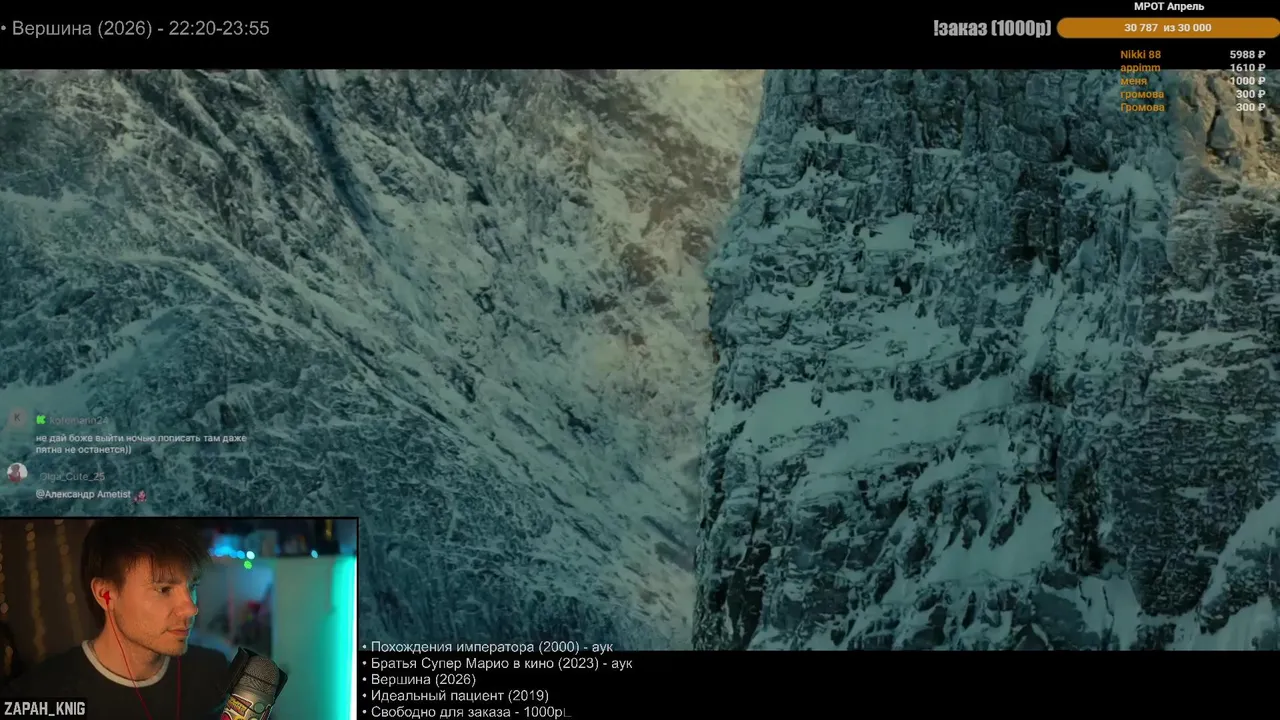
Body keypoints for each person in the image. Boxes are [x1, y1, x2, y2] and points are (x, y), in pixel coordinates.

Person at [0, 519, 232, 719]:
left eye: (192, 586)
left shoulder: (215, 672)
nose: (191, 609)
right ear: (106, 595)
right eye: (164, 589)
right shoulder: (39, 694)